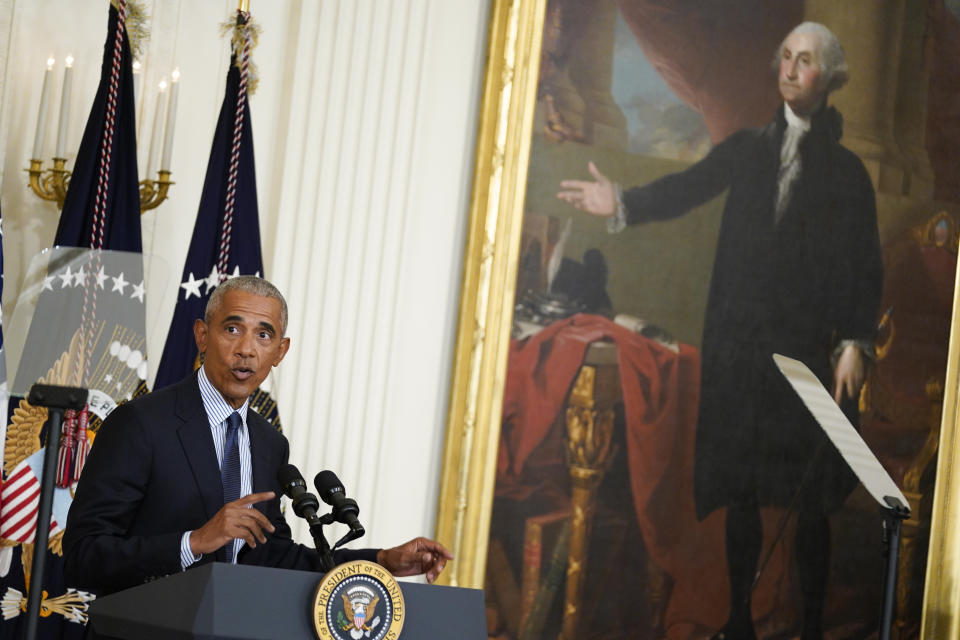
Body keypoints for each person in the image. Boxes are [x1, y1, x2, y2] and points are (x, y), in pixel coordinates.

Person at [557, 22, 882, 640]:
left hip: (808, 358)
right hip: (742, 352)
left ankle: (810, 628)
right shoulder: (748, 149)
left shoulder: (848, 175)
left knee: (808, 500)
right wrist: (620, 203)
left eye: (806, 61)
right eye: (784, 56)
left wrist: (855, 343)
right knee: (741, 490)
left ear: (831, 78)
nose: (790, 69)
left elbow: (864, 265)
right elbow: (687, 189)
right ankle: (739, 618)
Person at [63, 276, 452, 595]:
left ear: (280, 351)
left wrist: (381, 561)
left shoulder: (269, 444)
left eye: (264, 336)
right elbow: (82, 557)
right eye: (232, 329)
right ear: (202, 335)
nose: (246, 350)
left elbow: (275, 557)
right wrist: (193, 542)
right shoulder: (140, 423)